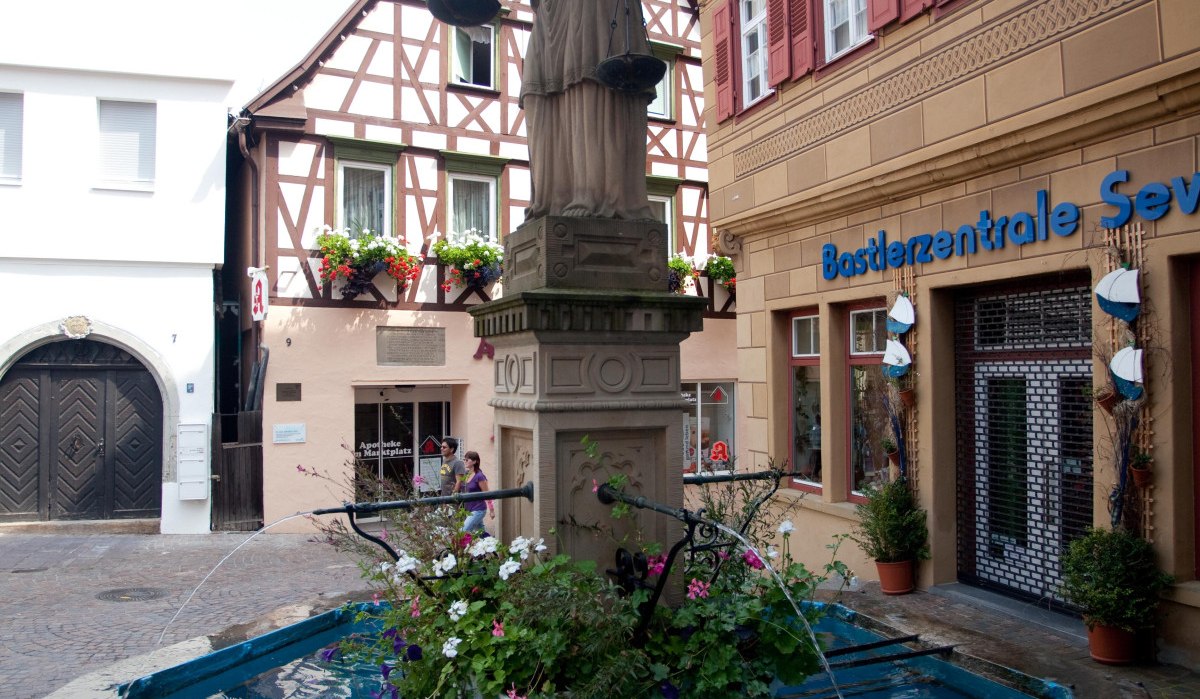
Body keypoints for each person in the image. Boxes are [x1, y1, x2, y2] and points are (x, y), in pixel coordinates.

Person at [519, 0, 657, 220]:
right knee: (537, 94)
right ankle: (551, 199)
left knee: (587, 75)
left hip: (591, 9)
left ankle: (592, 193)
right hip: (548, 13)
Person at [454, 450, 495, 533]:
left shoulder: (479, 476)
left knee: (463, 531)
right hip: (469, 510)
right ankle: (491, 544)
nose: (464, 461)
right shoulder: (466, 474)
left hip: (478, 509)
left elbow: (487, 493)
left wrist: (491, 510)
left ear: (474, 461)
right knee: (481, 533)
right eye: (464, 459)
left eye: (467, 460)